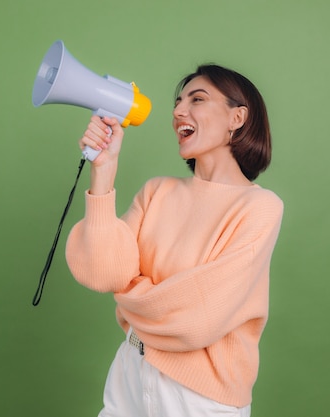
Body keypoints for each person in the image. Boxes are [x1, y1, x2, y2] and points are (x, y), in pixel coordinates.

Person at [65, 64, 284, 417]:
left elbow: (197, 320)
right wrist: (104, 170)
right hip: (130, 373)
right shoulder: (157, 191)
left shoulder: (260, 208)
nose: (179, 111)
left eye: (197, 99)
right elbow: (102, 273)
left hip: (200, 396)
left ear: (237, 117)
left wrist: (130, 294)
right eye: (178, 102)